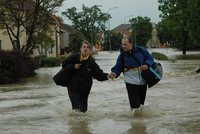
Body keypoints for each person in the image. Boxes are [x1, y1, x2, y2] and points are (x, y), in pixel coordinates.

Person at [62, 40, 110, 113]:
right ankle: (74, 124)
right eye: (84, 47)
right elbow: (64, 65)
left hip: (85, 90)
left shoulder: (91, 62)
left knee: (84, 112)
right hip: (73, 88)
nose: (85, 48)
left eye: (88, 47)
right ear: (81, 49)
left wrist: (107, 76)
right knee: (76, 111)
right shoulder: (74, 57)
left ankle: (83, 124)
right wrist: (73, 66)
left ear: (90, 50)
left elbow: (98, 74)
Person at [109, 35, 155, 110]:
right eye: (122, 44)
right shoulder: (122, 55)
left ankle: (139, 121)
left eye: (125, 44)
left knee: (141, 105)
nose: (123, 46)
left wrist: (146, 65)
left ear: (131, 44)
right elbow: (118, 67)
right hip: (130, 81)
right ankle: (134, 120)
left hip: (143, 81)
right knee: (135, 106)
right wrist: (114, 73)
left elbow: (150, 59)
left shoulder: (141, 50)